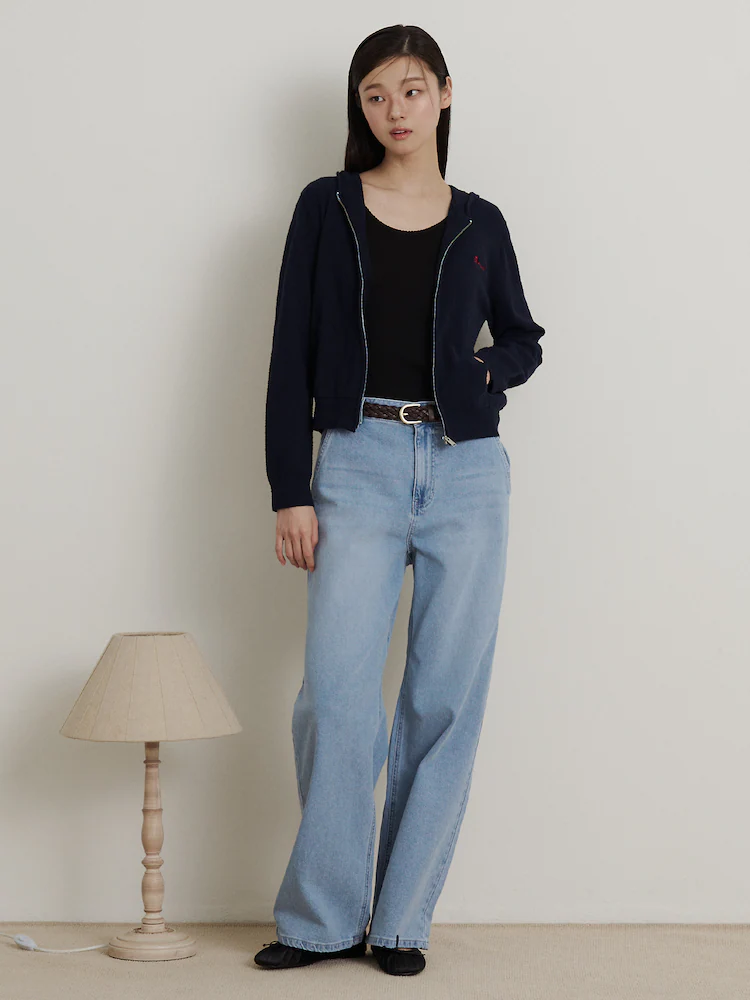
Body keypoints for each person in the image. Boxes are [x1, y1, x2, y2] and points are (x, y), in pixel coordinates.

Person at [255, 24, 545, 977]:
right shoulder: (326, 207)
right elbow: (290, 350)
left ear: (445, 95)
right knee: (335, 698)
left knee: (443, 700)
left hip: (468, 472)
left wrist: (489, 372)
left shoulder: (482, 222)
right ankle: (322, 919)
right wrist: (289, 489)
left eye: (412, 90)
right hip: (357, 461)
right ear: (361, 106)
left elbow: (524, 337)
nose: (395, 110)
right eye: (376, 94)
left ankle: (401, 921)